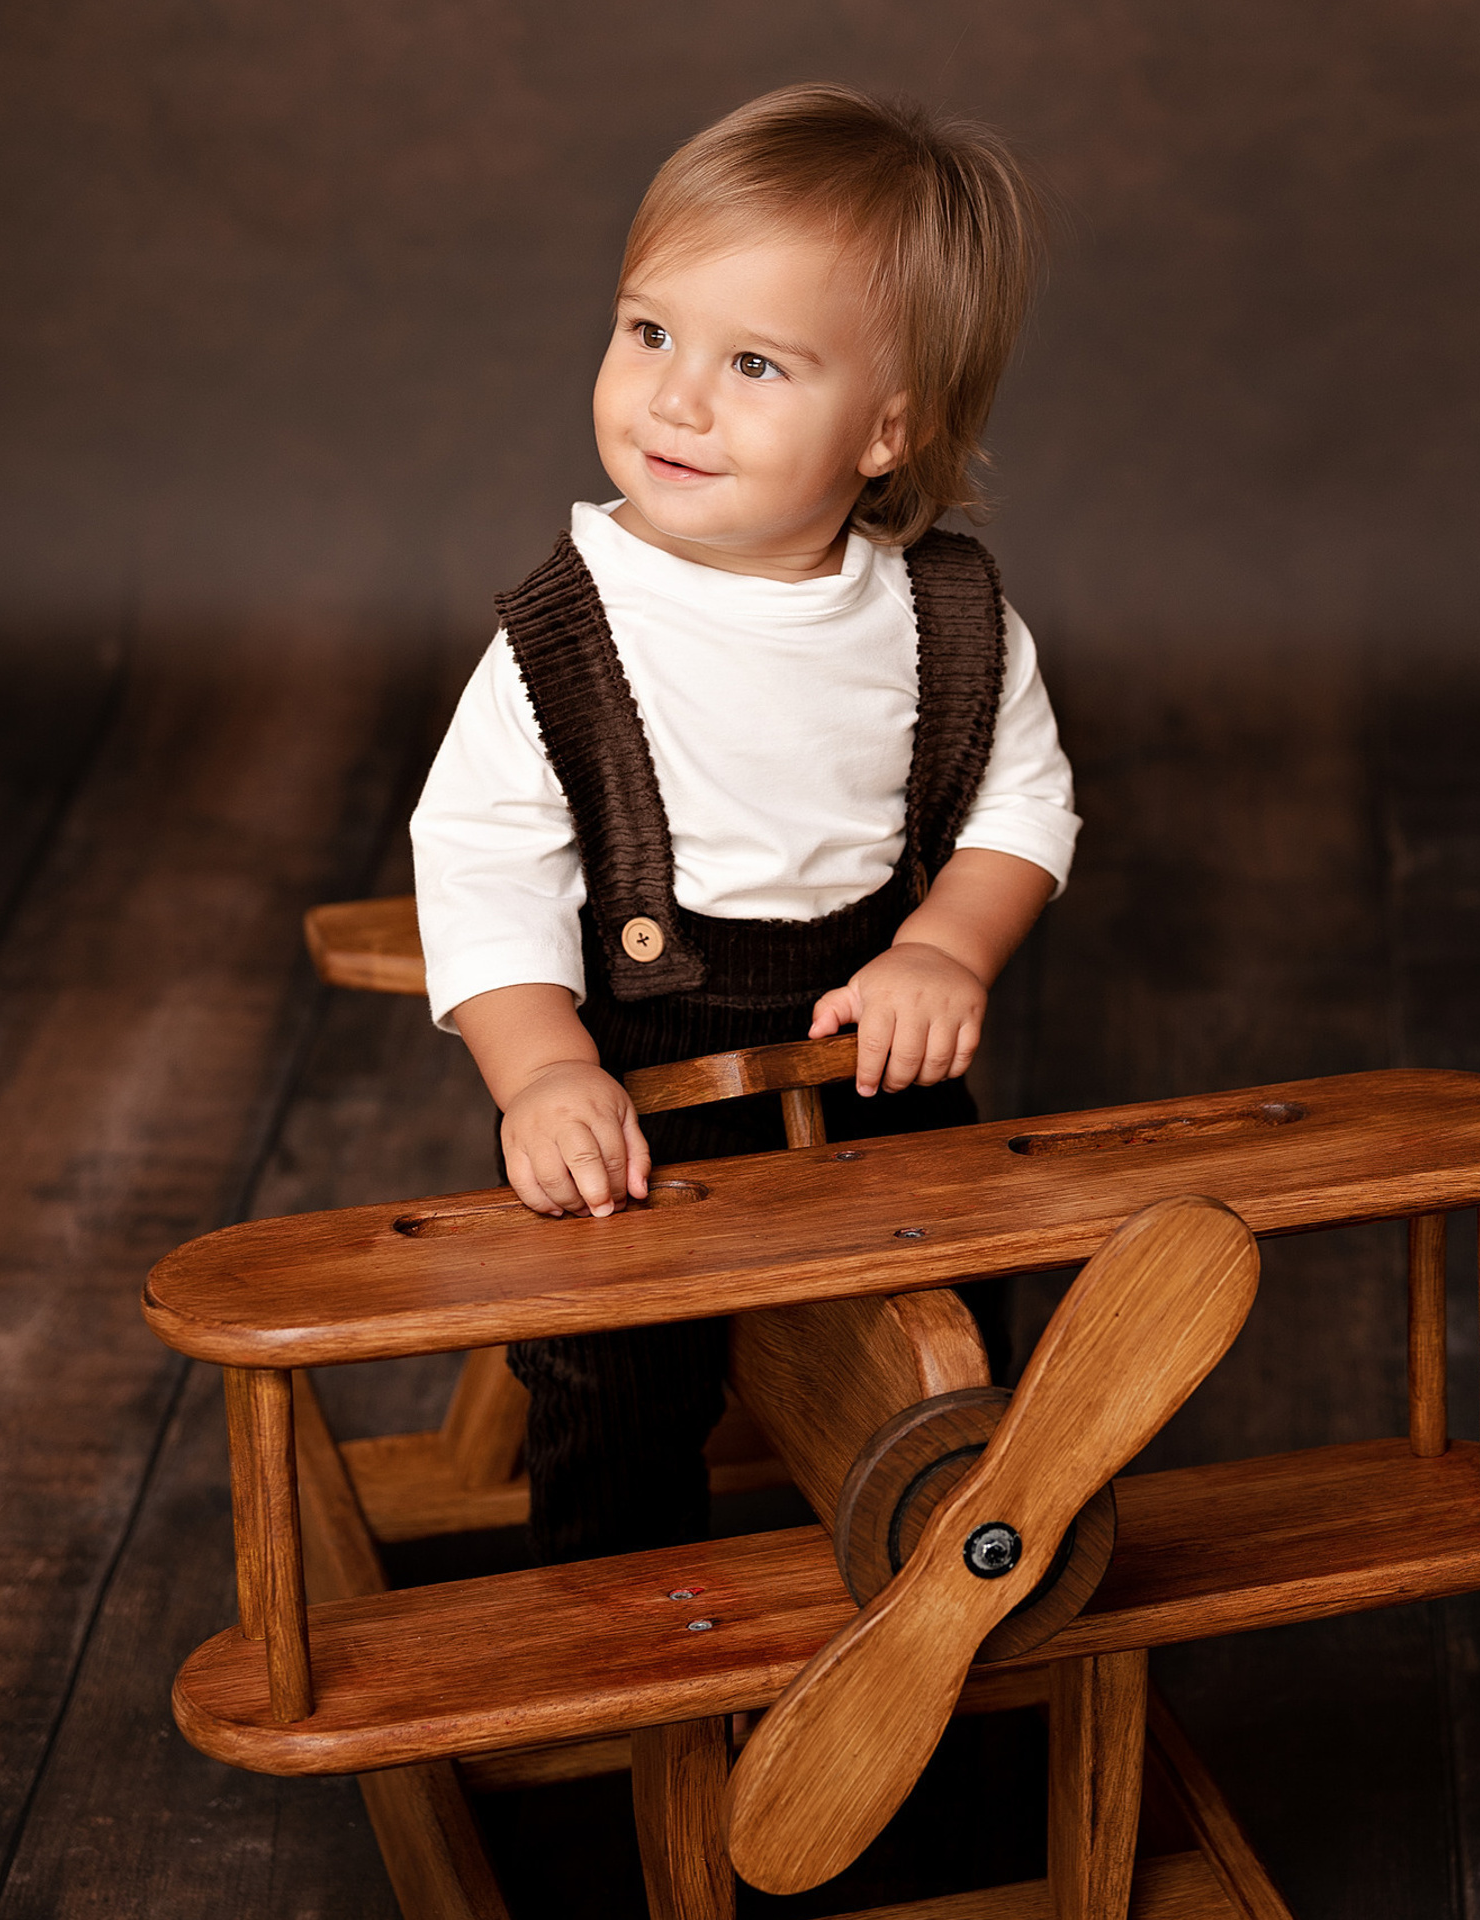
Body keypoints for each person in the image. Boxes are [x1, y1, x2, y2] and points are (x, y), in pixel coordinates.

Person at [411, 84, 1079, 1562]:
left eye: (756, 362)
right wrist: (542, 1074)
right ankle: (621, 1622)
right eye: (648, 332)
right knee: (618, 1369)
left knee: (954, 1327)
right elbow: (481, 867)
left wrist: (949, 953)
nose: (677, 399)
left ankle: (944, 1577)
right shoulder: (563, 635)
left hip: (874, 1049)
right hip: (646, 1063)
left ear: (886, 427)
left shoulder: (947, 617)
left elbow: (1027, 801)